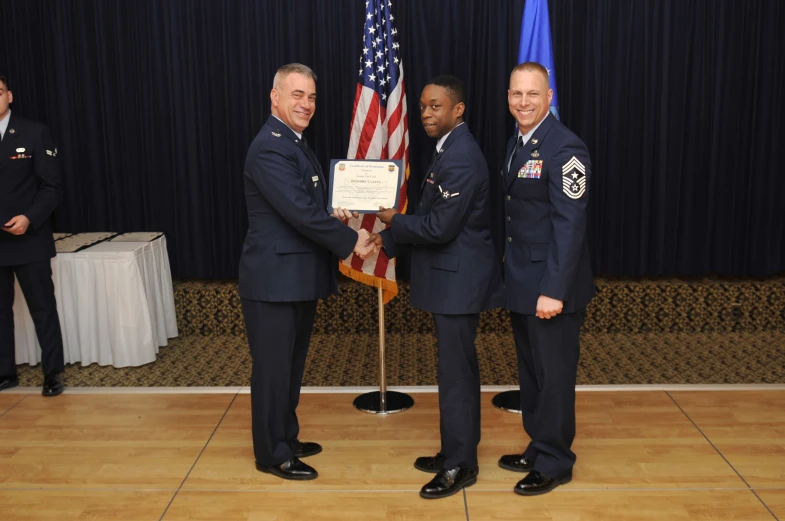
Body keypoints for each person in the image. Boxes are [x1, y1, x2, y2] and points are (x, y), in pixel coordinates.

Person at [370, 75, 503, 499]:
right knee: (452, 373)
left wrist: (393, 222)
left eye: (435, 106)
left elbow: (441, 227)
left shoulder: (461, 155)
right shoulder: (447, 149)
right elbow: (432, 210)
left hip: (458, 283)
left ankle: (462, 465)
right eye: (423, 106)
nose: (426, 113)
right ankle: (452, 451)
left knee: (457, 376)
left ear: (457, 109)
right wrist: (388, 240)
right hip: (451, 280)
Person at [239, 63, 372, 481]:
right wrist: (351, 242)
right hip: (274, 280)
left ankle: (286, 436)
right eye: (297, 94)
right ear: (274, 96)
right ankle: (271, 453)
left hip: (293, 277)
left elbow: (303, 205)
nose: (306, 104)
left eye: (311, 96)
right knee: (273, 370)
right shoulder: (270, 147)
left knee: (290, 368)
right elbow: (298, 212)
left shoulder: (293, 143)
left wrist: (330, 211)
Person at [497, 62, 595, 495]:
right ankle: (538, 445)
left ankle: (556, 461)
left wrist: (553, 289)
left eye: (532, 94)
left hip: (550, 288)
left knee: (553, 377)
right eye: (516, 94)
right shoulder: (519, 142)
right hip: (522, 280)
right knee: (532, 374)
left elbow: (569, 226)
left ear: (548, 97)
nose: (523, 102)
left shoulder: (565, 149)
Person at [0, 75, 65, 397]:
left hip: (29, 239)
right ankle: (4, 372)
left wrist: (30, 218)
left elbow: (52, 187)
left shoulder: (34, 132)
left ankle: (53, 373)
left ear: (9, 95)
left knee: (42, 309)